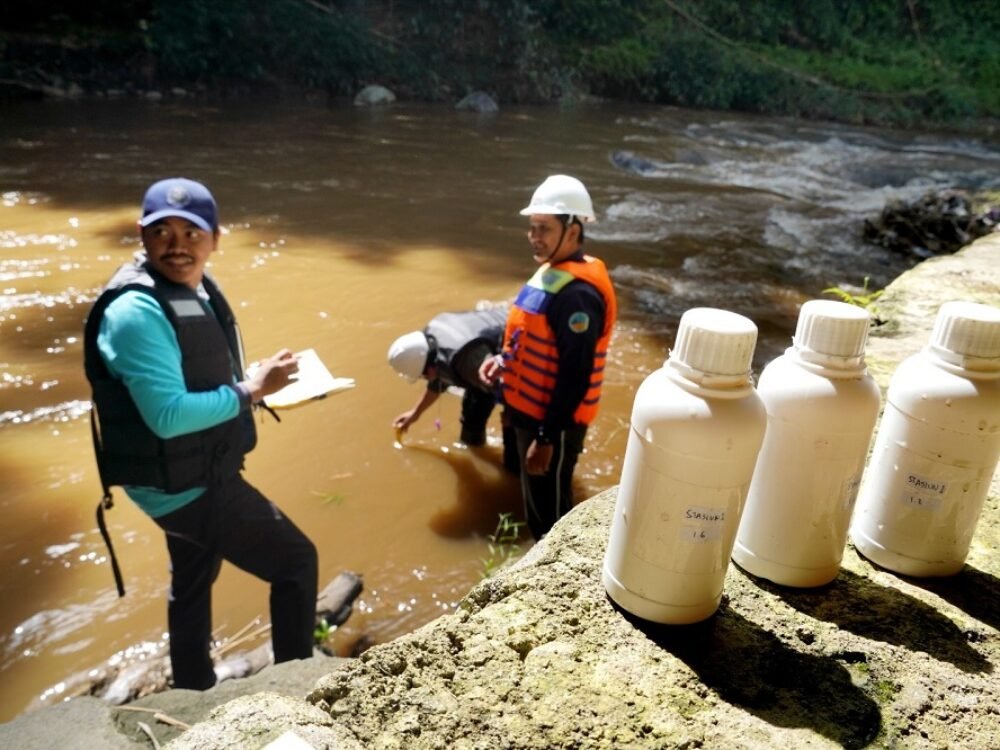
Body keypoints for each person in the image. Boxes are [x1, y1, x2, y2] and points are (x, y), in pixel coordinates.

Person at [83, 177, 318, 690]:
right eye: (161, 231)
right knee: (296, 563)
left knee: (192, 577)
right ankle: (296, 692)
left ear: (216, 238)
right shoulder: (134, 312)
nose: (177, 244)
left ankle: (193, 687)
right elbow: (166, 415)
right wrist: (252, 390)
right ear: (142, 238)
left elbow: (197, 369)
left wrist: (255, 380)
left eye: (192, 232)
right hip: (183, 487)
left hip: (186, 470)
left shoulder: (194, 288)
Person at [480, 175, 617, 539]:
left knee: (551, 517)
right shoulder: (552, 272)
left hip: (552, 423)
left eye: (544, 228)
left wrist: (546, 437)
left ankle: (558, 575)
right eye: (532, 227)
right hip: (531, 413)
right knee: (539, 501)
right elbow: (527, 335)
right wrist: (502, 359)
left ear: (573, 230)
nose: (534, 236)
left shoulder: (579, 297)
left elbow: (576, 373)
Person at [388, 308, 518, 473]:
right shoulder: (428, 344)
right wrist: (415, 413)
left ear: (430, 368)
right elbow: (438, 380)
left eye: (423, 376)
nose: (424, 379)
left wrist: (511, 419)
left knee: (514, 460)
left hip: (508, 361)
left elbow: (513, 390)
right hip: (482, 361)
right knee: (471, 428)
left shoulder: (468, 361)